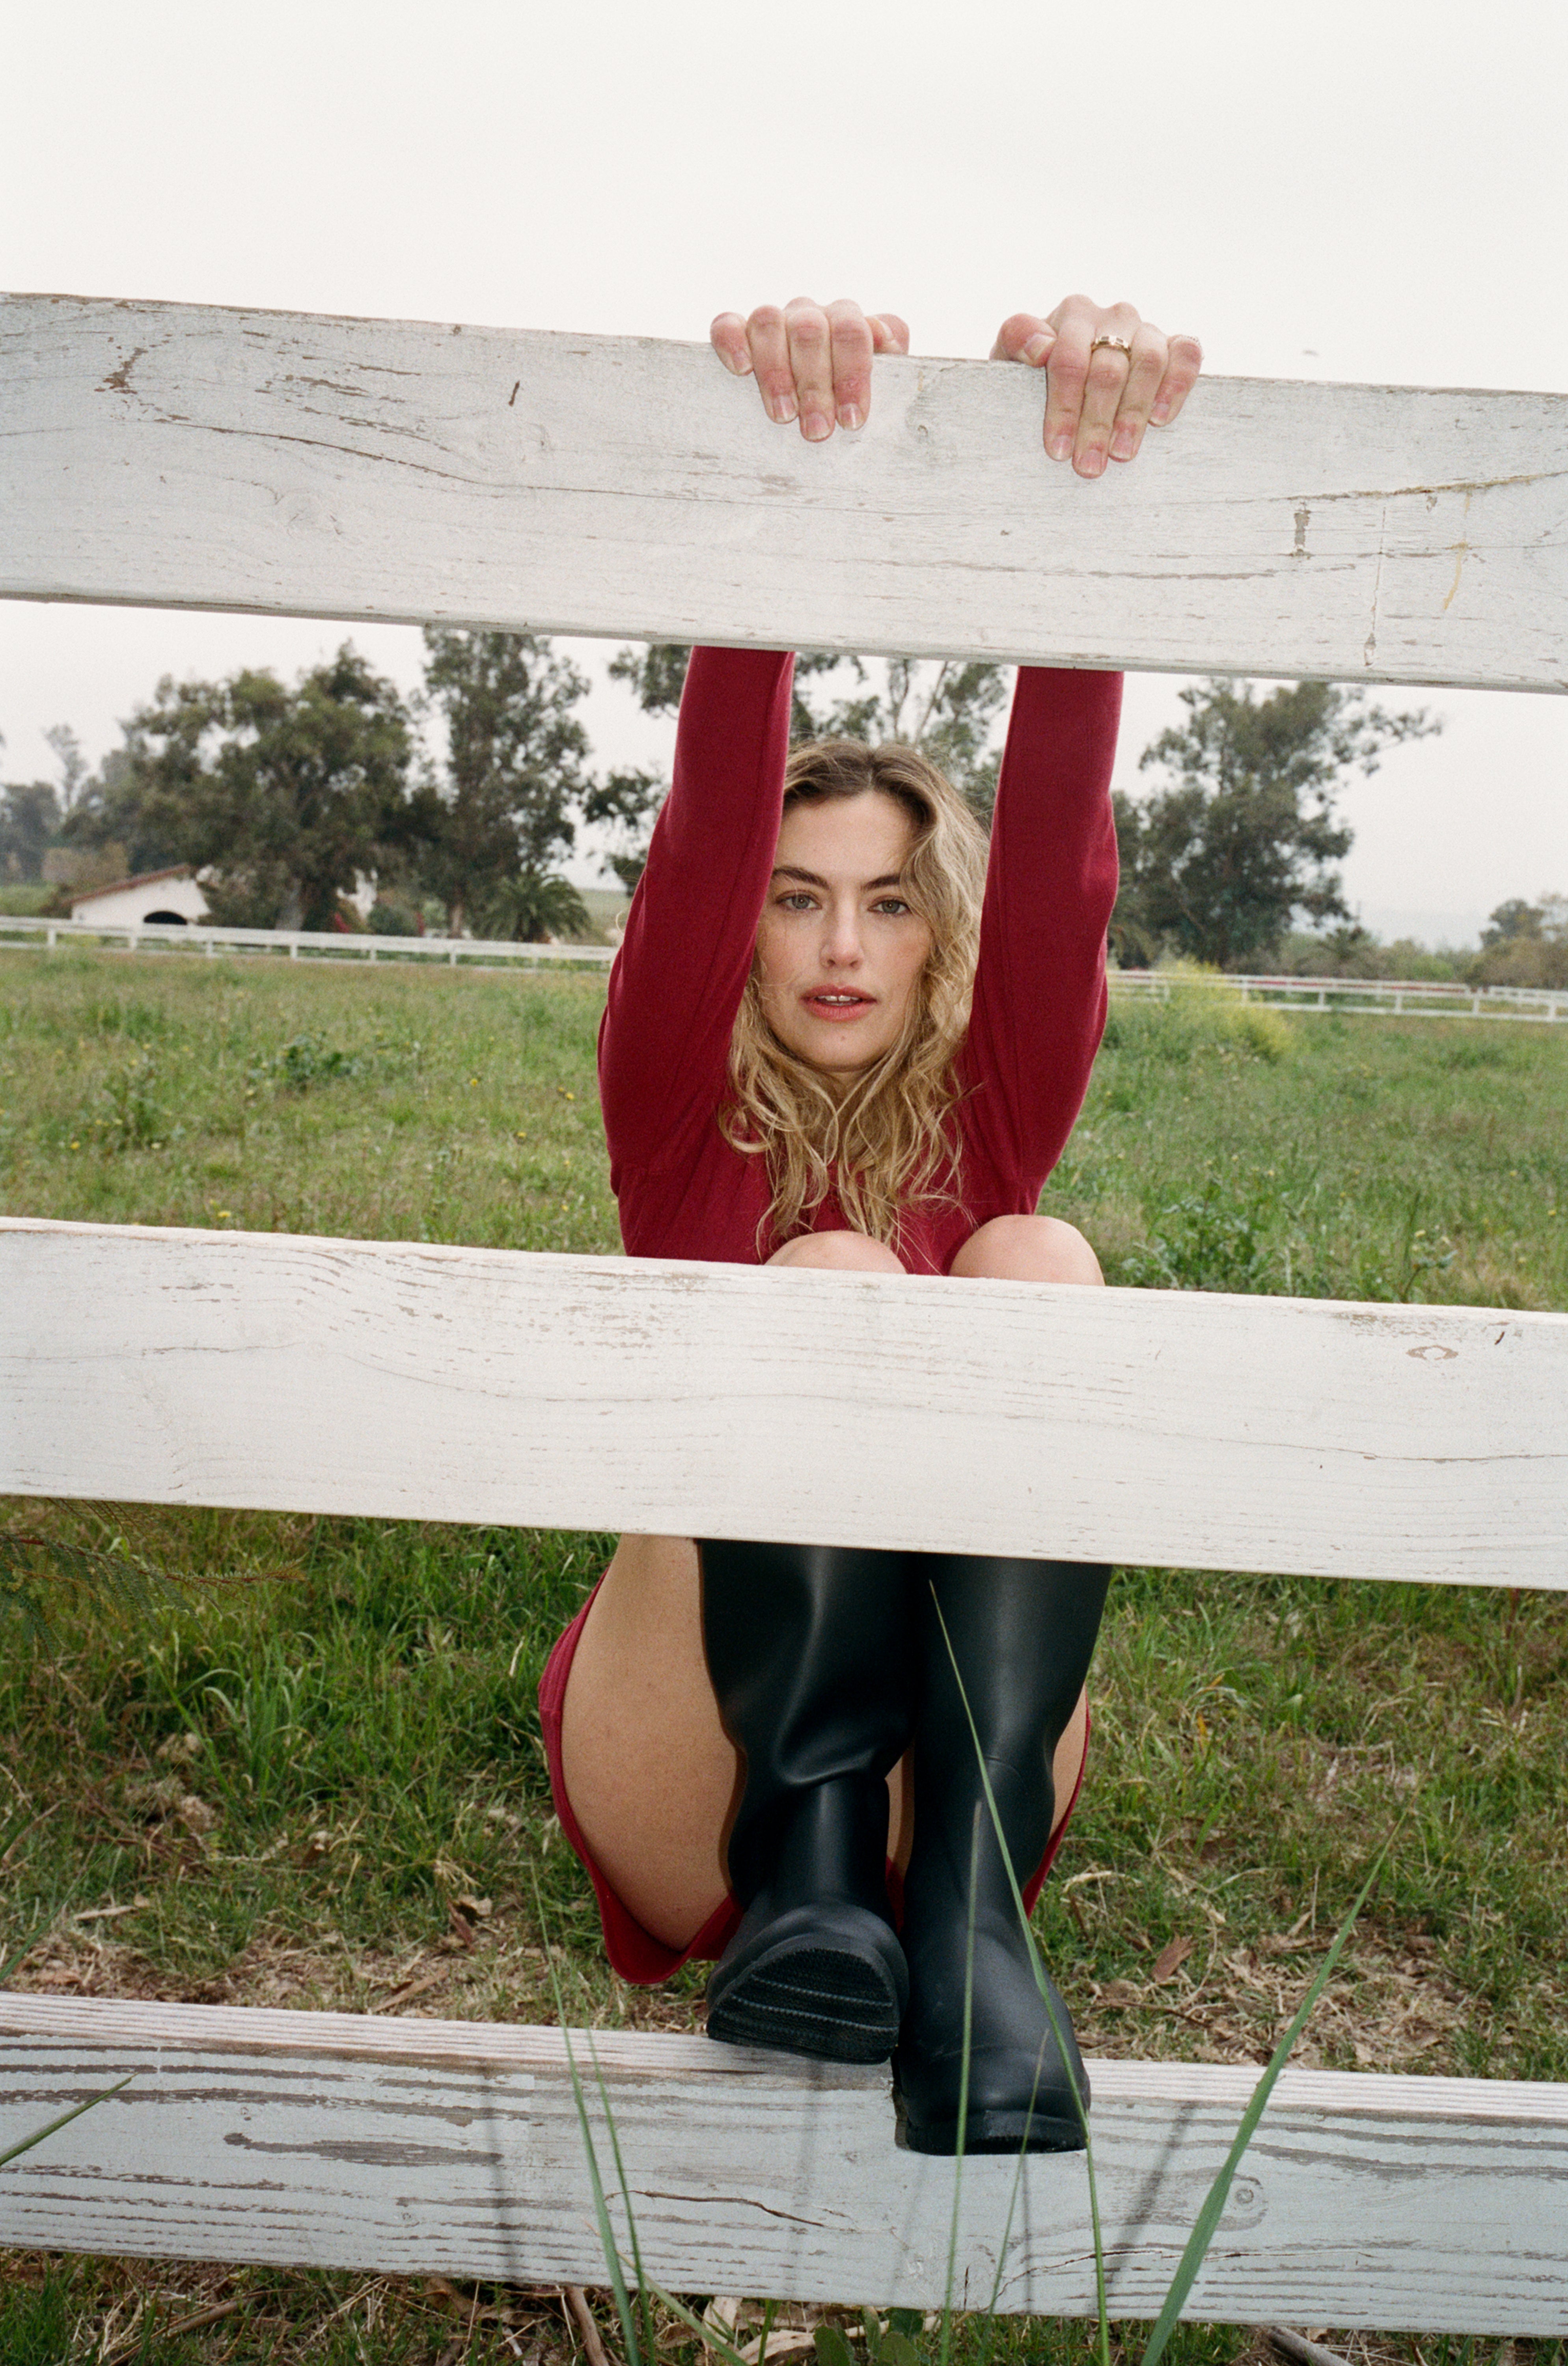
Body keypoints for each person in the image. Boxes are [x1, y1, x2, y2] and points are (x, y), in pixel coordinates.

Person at [539, 294, 1203, 2155]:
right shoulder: (674, 1112)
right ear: (740, 929)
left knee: (1037, 1260)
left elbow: (1068, 858)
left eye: (891, 903)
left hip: (952, 1794)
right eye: (796, 896)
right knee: (826, 1277)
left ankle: (971, 1925)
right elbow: (692, 828)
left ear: (941, 935)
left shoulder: (988, 1122)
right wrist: (779, 481)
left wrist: (1075, 481)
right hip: (706, 1768)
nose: (840, 944)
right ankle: (808, 1878)